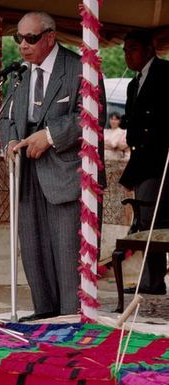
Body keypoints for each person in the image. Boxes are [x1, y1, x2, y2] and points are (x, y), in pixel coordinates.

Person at [0, 11, 106, 322]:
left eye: (30, 38)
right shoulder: (20, 74)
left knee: (67, 250)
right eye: (18, 38)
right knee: (33, 246)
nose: (23, 45)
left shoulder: (79, 69)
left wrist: (48, 136)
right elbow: (7, 116)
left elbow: (91, 116)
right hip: (27, 172)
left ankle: (71, 318)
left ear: (50, 36)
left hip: (66, 173)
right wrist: (10, 141)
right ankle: (43, 313)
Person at [119, 30, 169, 295]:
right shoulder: (132, 84)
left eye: (133, 48)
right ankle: (153, 280)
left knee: (154, 222)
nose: (128, 54)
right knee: (147, 221)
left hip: (161, 160)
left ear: (150, 48)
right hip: (142, 159)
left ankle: (153, 281)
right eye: (125, 49)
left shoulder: (165, 73)